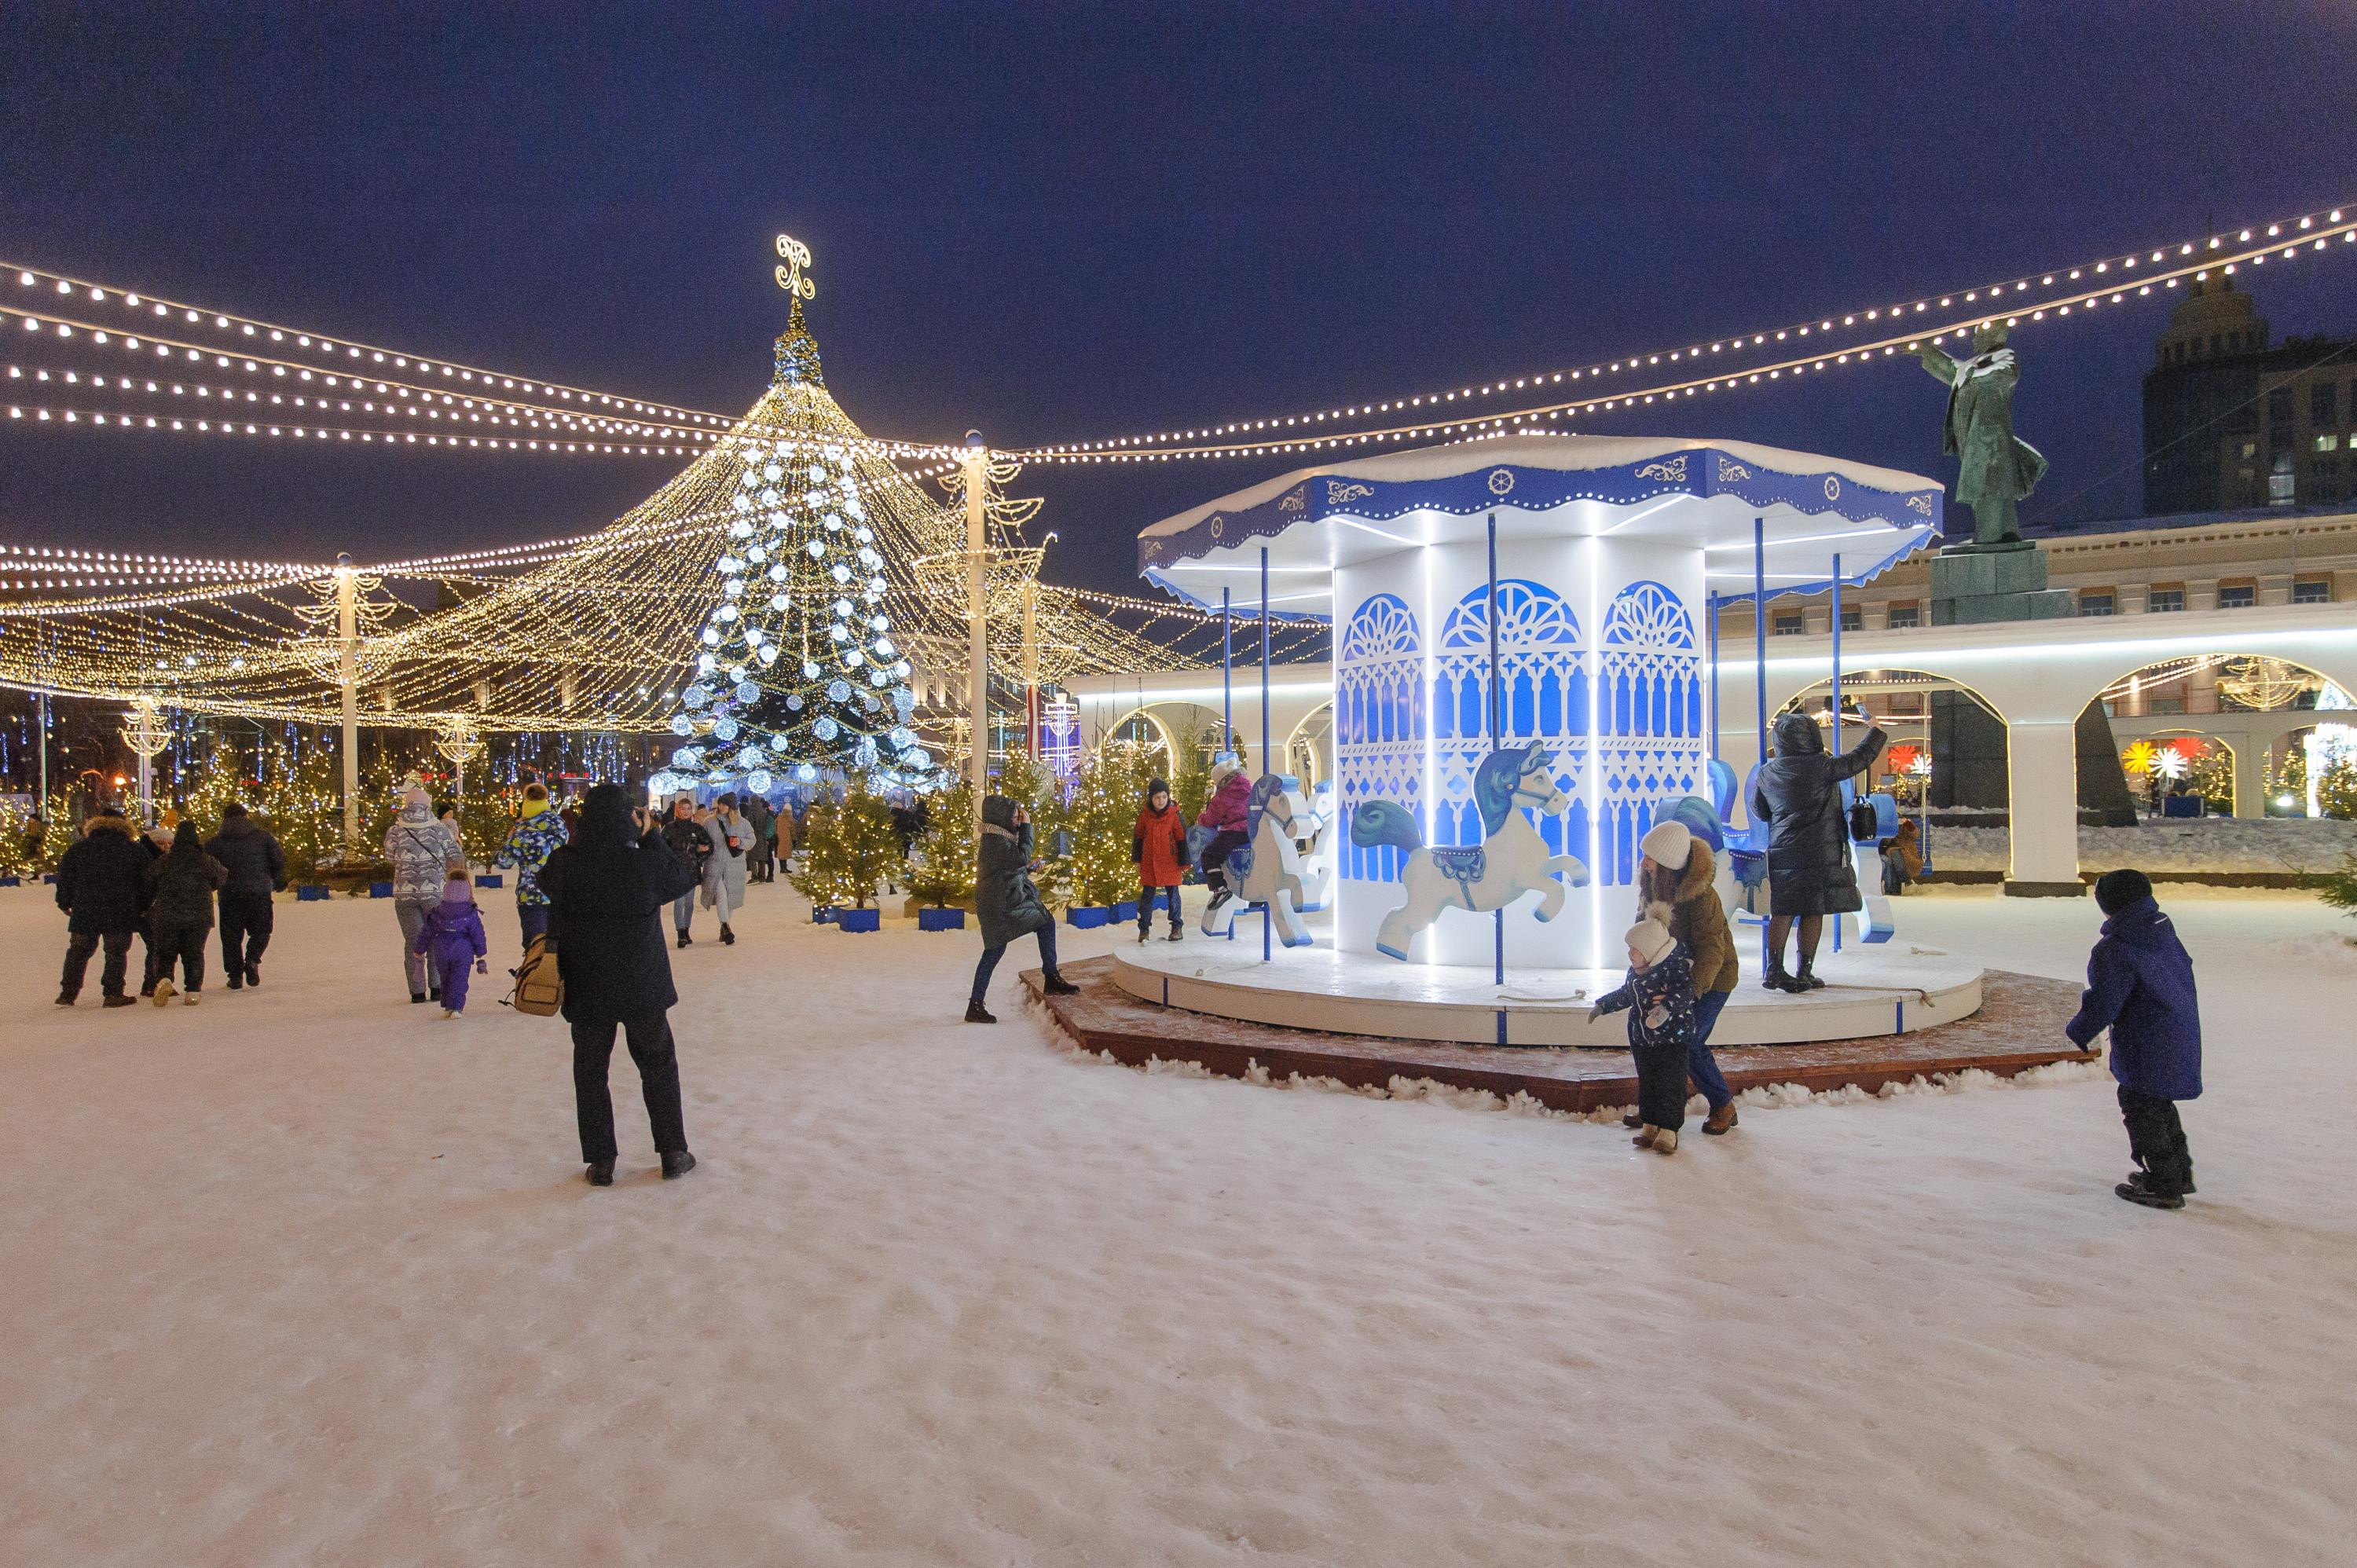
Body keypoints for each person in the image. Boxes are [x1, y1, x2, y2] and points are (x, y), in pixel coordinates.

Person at [541, 783, 701, 1185]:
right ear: (629, 818)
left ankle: (602, 1161)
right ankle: (673, 1152)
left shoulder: (566, 862)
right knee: (659, 1066)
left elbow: (547, 888)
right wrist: (650, 839)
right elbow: (682, 878)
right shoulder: (642, 864)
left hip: (587, 983)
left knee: (591, 1072)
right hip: (642, 983)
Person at [2065, 869, 2203, 1211]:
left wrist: (2080, 1030)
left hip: (2148, 1039)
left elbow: (2106, 1001)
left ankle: (2164, 1185)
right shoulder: (2159, 929)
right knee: (2158, 1103)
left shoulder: (2117, 947)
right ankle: (2177, 1173)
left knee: (2141, 1106)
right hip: (2176, 1027)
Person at [1748, 711, 1885, 992]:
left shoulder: (1767, 772)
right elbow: (1860, 758)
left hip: (1783, 850)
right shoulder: (1822, 766)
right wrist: (1875, 730)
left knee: (1783, 910)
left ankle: (1774, 969)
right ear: (1812, 737)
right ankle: (1804, 971)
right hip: (1819, 851)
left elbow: (1760, 811)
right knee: (1814, 910)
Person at [1628, 820, 1740, 1137]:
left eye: (1649, 857)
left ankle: (1722, 1105)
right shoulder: (1651, 886)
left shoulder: (1702, 898)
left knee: (1687, 1041)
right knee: (1651, 1042)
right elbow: (1646, 935)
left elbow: (1712, 952)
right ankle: (1654, 1111)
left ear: (1667, 864)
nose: (1643, 862)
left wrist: (1690, 993)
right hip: (1668, 976)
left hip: (1712, 979)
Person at [1590, 917, 1696, 1154]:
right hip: (1642, 1039)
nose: (1630, 954)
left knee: (1670, 1082)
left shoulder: (1674, 970)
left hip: (1671, 1039)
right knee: (1648, 1081)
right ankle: (1650, 1124)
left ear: (1650, 950)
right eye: (1629, 949)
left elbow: (1685, 994)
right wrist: (1603, 1006)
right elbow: (1626, 994)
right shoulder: (1636, 972)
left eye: (1635, 949)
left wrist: (1666, 1008)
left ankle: (1669, 1129)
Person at [968, 793, 1076, 1023]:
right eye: (1015, 817)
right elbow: (1020, 856)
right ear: (1002, 818)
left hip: (1003, 900)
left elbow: (1009, 868)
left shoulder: (999, 838)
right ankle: (975, 1006)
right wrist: (1028, 828)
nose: (1018, 820)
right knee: (994, 950)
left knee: (1044, 922)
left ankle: (1051, 975)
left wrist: (1027, 868)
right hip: (999, 905)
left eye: (1019, 817)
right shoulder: (995, 841)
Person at [54, 801, 153, 1009]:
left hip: (86, 908)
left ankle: (68, 993)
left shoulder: (79, 849)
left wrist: (64, 901)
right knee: (116, 952)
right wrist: (143, 906)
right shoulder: (134, 850)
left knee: (79, 951)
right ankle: (113, 993)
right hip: (121, 909)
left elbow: (65, 877)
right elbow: (146, 882)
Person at [386, 782, 465, 1003]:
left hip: (405, 894)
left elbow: (390, 857)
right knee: (437, 938)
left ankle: (417, 991)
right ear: (428, 804)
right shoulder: (439, 829)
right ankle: (437, 987)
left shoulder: (395, 830)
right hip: (434, 892)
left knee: (414, 941)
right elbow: (455, 853)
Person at [142, 821, 225, 1006]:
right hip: (199, 915)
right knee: (194, 953)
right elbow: (221, 877)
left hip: (167, 914)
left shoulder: (165, 861)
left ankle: (164, 979)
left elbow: (149, 879)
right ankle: (193, 990)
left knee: (165, 952)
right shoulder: (204, 860)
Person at [205, 802, 286, 990]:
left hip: (229, 894)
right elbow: (279, 860)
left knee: (231, 935)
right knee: (262, 930)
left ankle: (235, 975)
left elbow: (207, 867)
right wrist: (278, 880)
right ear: (246, 816)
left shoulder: (215, 842)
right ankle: (252, 959)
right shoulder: (263, 838)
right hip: (258, 892)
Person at [495, 782, 569, 950]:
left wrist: (509, 840)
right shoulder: (559, 828)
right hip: (558, 894)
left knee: (534, 946)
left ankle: (536, 974)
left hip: (531, 895)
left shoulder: (522, 833)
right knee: (558, 947)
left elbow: (503, 862)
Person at [413, 865, 490, 1019]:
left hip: (441, 948)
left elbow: (426, 932)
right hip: (463, 949)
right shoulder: (471, 912)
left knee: (446, 976)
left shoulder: (438, 911)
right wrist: (481, 952)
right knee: (459, 978)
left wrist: (419, 949)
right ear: (467, 892)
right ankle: (456, 1007)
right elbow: (477, 933)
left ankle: (448, 1005)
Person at [1131, 776, 1187, 943]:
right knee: (1147, 896)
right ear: (1151, 798)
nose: (1161, 800)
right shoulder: (1145, 816)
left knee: (1173, 896)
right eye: (1157, 797)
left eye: (1164, 796)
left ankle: (1177, 926)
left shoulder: (1174, 815)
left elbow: (1181, 838)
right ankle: (1144, 929)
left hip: (1170, 862)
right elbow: (1139, 836)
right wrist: (1137, 858)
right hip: (1150, 862)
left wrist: (1184, 861)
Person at [1195, 757, 1252, 916]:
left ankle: (1219, 888)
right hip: (1252, 831)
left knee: (1209, 855)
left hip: (1234, 832)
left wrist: (1200, 818)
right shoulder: (1249, 786)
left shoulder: (1224, 795)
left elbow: (1211, 819)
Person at [660, 793, 713, 948]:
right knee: (679, 901)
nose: (685, 811)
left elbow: (708, 845)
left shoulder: (697, 828)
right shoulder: (669, 828)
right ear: (678, 810)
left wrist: (701, 852)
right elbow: (662, 848)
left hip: (691, 870)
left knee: (689, 903)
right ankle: (680, 932)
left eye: (688, 809)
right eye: (683, 809)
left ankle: (686, 929)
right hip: (676, 871)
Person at [702, 793, 750, 944]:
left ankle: (725, 927)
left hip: (734, 866)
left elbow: (751, 839)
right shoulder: (709, 822)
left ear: (731, 807)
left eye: (724, 804)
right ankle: (725, 926)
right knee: (721, 895)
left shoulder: (742, 823)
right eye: (720, 804)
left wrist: (740, 842)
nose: (721, 807)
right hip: (715, 865)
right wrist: (703, 848)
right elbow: (703, 839)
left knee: (730, 899)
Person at [1879, 817, 1924, 896]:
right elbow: (1885, 842)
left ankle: (1897, 887)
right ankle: (1899, 885)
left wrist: (1908, 824)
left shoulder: (1905, 825)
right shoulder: (1887, 824)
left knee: (1893, 855)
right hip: (1893, 852)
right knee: (1890, 860)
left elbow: (1915, 834)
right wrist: (1890, 831)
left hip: (1908, 853)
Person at [742, 793, 775, 883]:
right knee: (762, 857)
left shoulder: (752, 810)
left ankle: (755, 876)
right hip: (763, 836)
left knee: (752, 857)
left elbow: (751, 824)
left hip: (754, 835)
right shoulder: (763, 811)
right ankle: (762, 876)